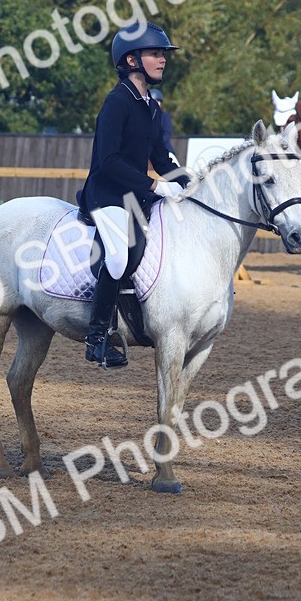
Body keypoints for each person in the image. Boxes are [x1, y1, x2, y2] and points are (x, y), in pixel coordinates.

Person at [78, 21, 189, 369]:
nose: (162, 60)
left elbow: (162, 157)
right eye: (156, 53)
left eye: (163, 54)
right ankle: (97, 337)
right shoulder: (116, 103)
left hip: (137, 197)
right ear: (131, 60)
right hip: (107, 194)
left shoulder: (151, 108)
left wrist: (191, 180)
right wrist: (155, 185)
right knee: (117, 257)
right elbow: (108, 161)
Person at [148, 88, 177, 160]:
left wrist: (155, 145)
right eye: (154, 101)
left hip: (164, 149)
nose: (157, 103)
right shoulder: (143, 116)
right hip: (146, 150)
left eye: (159, 101)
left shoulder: (165, 116)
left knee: (176, 168)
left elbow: (167, 134)